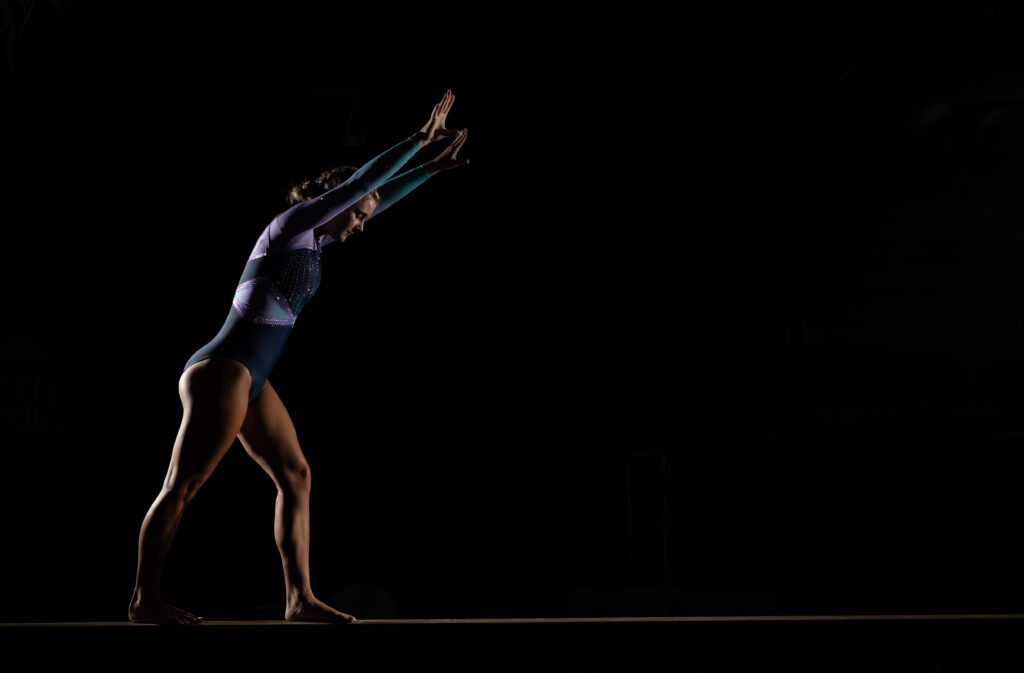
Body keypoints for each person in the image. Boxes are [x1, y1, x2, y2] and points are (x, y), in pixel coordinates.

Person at [128, 90, 470, 624]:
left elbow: (371, 198)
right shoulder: (289, 227)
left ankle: (298, 600)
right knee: (185, 483)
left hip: (253, 376)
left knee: (296, 474)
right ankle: (144, 599)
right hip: (224, 368)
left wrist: (428, 172)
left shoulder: (315, 244)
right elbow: (359, 187)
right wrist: (416, 141)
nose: (359, 227)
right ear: (332, 202)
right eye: (354, 217)